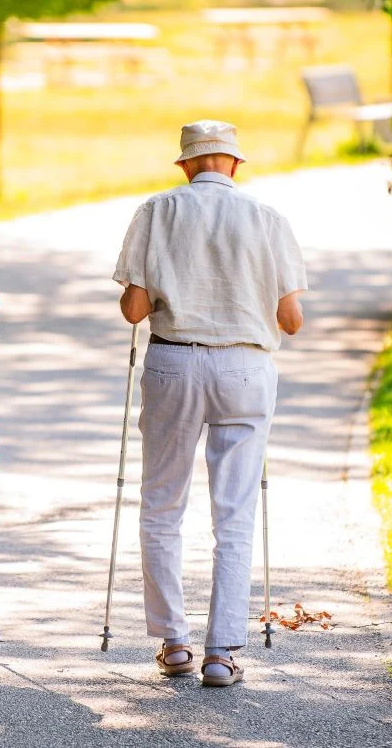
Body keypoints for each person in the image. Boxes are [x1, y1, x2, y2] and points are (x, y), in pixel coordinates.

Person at [113, 120, 307, 688]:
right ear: (235, 165)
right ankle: (221, 651)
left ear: (185, 166)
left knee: (162, 505)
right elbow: (291, 320)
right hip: (244, 368)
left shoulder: (157, 211)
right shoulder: (268, 220)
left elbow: (133, 309)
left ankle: (174, 643)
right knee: (235, 513)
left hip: (174, 361)